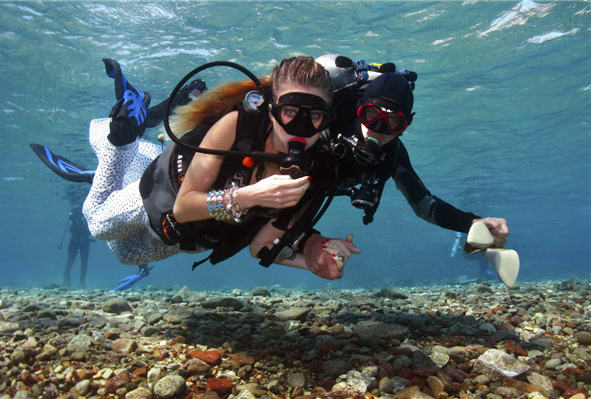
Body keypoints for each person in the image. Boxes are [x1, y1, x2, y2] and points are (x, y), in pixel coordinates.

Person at [82, 57, 359, 280]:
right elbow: (183, 207)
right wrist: (251, 196)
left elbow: (259, 248)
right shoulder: (237, 125)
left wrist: (311, 257)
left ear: (327, 120)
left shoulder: (314, 172)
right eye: (290, 112)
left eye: (315, 116)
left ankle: (143, 150)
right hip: (163, 195)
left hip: (189, 239)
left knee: (124, 254)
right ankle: (120, 139)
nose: (300, 128)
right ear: (272, 109)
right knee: (97, 224)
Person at [304, 63, 512, 281]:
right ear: (359, 107)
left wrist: (473, 222)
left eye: (393, 121)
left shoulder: (392, 155)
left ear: (406, 125)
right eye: (371, 114)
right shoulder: (327, 125)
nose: (378, 128)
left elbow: (425, 205)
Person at [60, 206, 94, 289]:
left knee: (71, 260)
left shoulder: (74, 214)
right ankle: (81, 282)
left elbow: (71, 228)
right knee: (83, 261)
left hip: (75, 240)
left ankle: (67, 279)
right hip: (84, 241)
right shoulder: (86, 214)